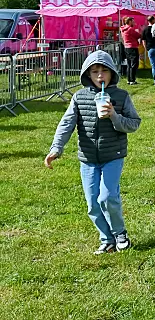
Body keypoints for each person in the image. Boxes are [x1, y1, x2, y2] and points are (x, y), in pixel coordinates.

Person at [43, 50, 141, 254]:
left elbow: (134, 124)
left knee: (107, 197)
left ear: (112, 72)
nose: (100, 76)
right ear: (88, 74)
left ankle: (120, 233)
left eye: (104, 71)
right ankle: (107, 239)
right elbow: (66, 124)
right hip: (87, 158)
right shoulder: (79, 97)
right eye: (95, 71)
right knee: (92, 204)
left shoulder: (121, 96)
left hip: (113, 155)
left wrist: (114, 116)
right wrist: (56, 148)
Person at [119, 16, 141, 86]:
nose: (134, 23)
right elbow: (138, 35)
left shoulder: (123, 29)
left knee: (129, 64)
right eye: (133, 21)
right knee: (134, 64)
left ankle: (129, 79)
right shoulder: (130, 29)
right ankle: (132, 79)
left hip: (126, 47)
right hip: (133, 47)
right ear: (130, 21)